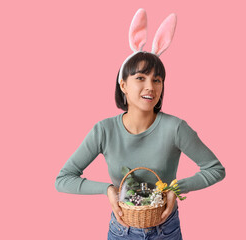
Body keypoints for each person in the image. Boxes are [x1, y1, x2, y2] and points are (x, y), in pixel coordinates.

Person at [55, 8, 226, 240]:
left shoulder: (175, 128)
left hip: (167, 231)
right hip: (121, 231)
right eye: (140, 78)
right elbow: (63, 179)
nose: (150, 87)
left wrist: (176, 189)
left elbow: (215, 169)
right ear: (123, 84)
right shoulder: (104, 130)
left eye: (157, 80)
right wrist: (109, 190)